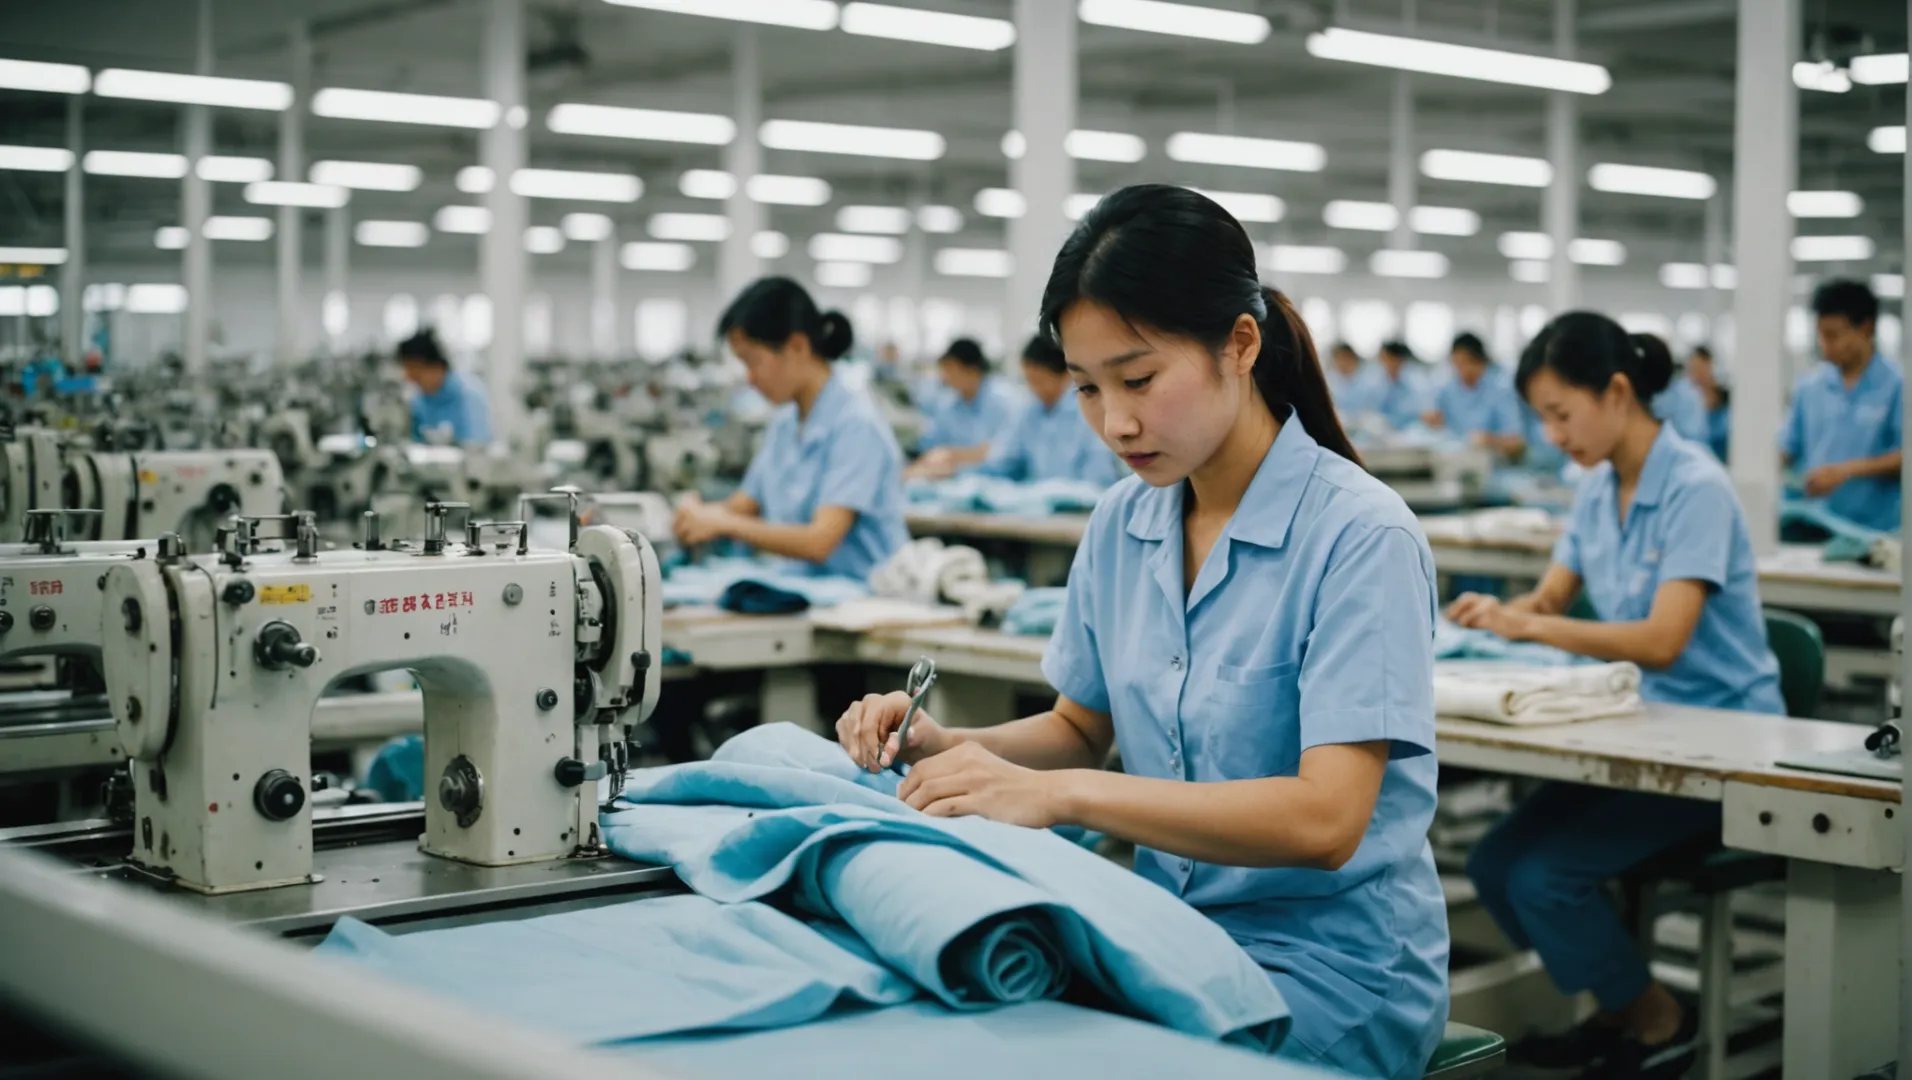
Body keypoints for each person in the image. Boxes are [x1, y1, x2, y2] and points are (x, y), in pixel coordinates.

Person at [834, 185, 1448, 1079]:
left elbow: (1326, 820)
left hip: (1333, 973)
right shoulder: (1127, 522)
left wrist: (1068, 797)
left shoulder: (1360, 536)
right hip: (1173, 938)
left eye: (1139, 379)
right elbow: (1082, 727)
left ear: (1240, 345)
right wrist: (947, 744)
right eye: (1087, 388)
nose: (1114, 422)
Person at [1447, 312, 1783, 1079]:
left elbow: (1663, 639)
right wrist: (1481, 620)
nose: (1554, 435)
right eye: (1543, 420)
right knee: (1499, 862)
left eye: (1562, 414)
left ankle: (1657, 1020)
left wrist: (1527, 631)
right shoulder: (1598, 490)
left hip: (1722, 745)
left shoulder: (1696, 486)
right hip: (1636, 728)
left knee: (1543, 875)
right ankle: (1622, 1002)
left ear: (1618, 392)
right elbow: (1551, 598)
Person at [671, 276, 909, 580]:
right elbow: (744, 505)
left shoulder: (856, 425)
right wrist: (698, 514)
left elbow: (820, 542)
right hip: (810, 597)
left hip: (869, 606)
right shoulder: (786, 424)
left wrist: (722, 524)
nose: (750, 379)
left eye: (753, 362)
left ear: (797, 346)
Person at [1781, 279, 1903, 531]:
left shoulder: (1897, 387)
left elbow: (1904, 456)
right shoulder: (1810, 388)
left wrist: (1845, 471)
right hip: (1814, 523)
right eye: (1821, 336)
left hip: (1875, 531)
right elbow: (1786, 448)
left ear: (1866, 329)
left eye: (1834, 336)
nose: (1826, 346)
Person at [971, 334, 1124, 485]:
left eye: (1039, 380)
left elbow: (1099, 483)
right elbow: (1004, 460)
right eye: (1028, 380)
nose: (1033, 388)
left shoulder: (1089, 412)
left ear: (1067, 374)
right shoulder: (1030, 411)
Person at [910, 338, 1021, 476]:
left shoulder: (1002, 400)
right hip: (956, 479)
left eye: (952, 371)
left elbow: (1004, 452)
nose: (946, 377)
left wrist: (953, 455)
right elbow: (931, 445)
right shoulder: (948, 404)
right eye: (945, 370)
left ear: (972, 371)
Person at [1426, 332, 1525, 457]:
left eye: (1464, 363)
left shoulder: (1501, 392)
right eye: (1456, 363)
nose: (1459, 369)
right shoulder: (1448, 391)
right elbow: (1440, 425)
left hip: (1493, 466)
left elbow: (1517, 443)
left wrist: (1491, 440)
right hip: (1454, 460)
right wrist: (1433, 420)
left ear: (1479, 362)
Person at [398, 329, 492, 445]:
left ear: (436, 367)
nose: (411, 380)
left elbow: (477, 447)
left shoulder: (469, 395)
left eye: (417, 375)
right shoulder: (418, 402)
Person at [1687, 345, 1731, 461]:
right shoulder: (1687, 405)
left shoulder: (1726, 402)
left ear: (1709, 365)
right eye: (1693, 368)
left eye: (1699, 367)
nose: (1696, 373)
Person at [1325, 341, 1384, 418]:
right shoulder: (1329, 381)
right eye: (1338, 358)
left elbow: (1373, 407)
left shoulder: (1368, 381)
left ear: (1353, 359)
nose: (1342, 363)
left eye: (1345, 358)